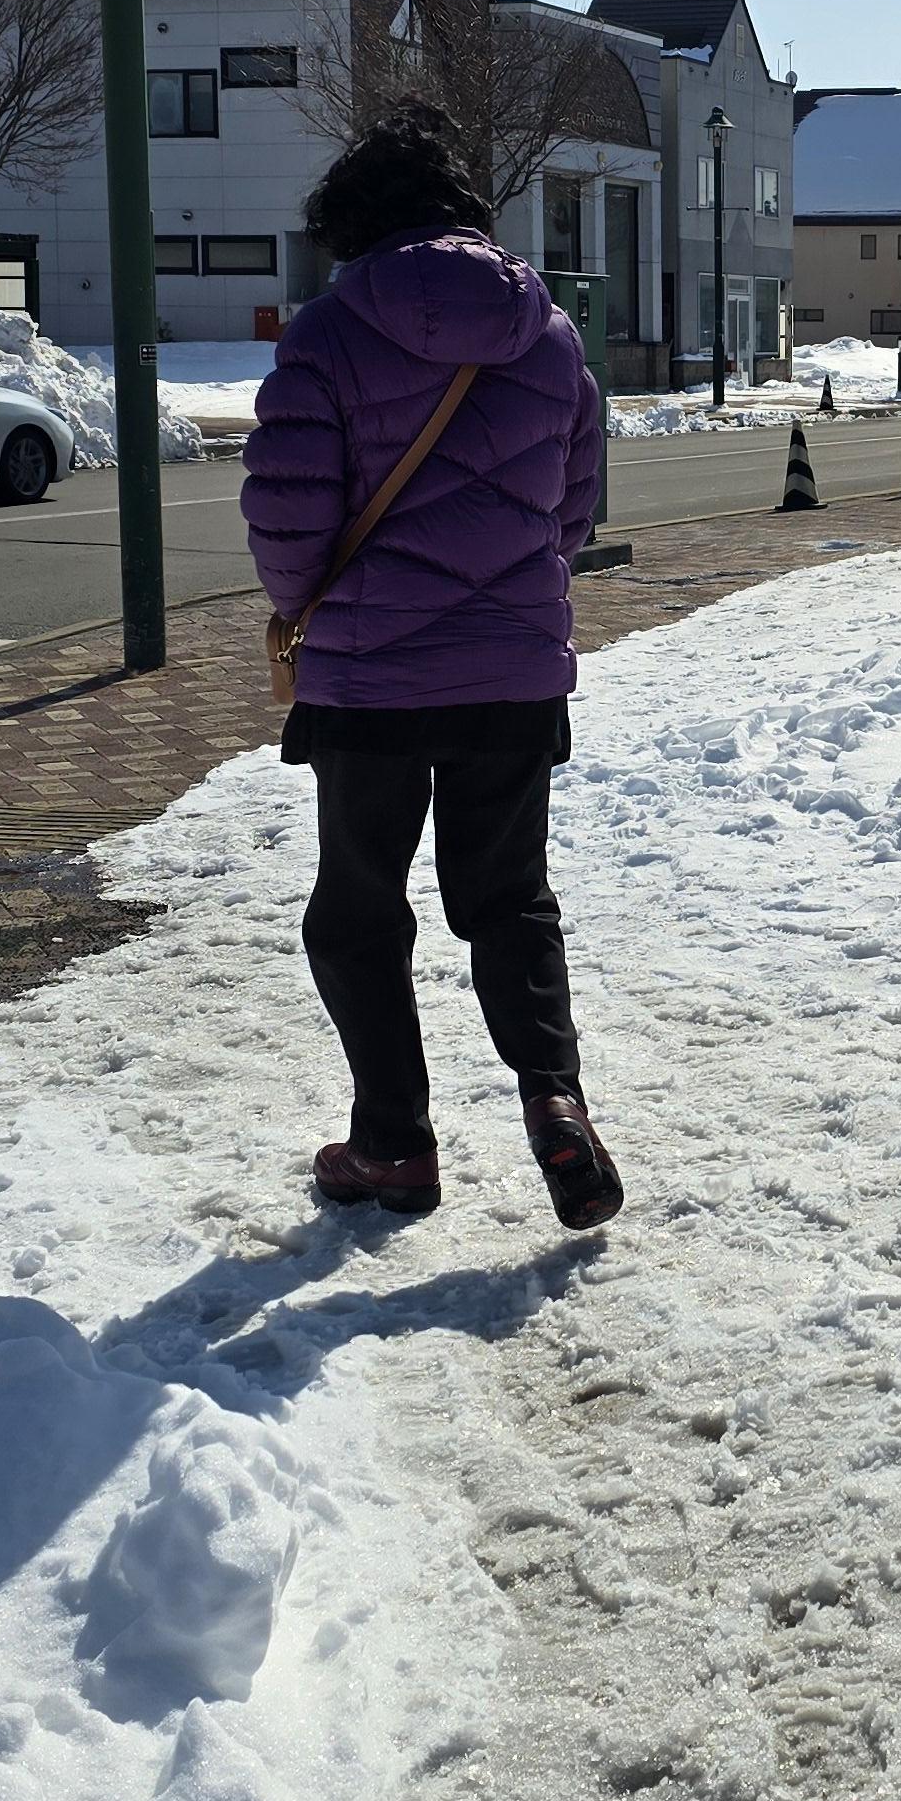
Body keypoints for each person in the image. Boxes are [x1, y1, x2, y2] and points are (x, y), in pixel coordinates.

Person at [242, 117, 622, 1229]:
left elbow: (286, 512)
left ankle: (393, 1145)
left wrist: (307, 606)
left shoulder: (325, 336)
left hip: (368, 681)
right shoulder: (549, 338)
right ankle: (555, 1102)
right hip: (511, 675)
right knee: (507, 898)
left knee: (358, 910)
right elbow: (573, 506)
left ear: (354, 225)